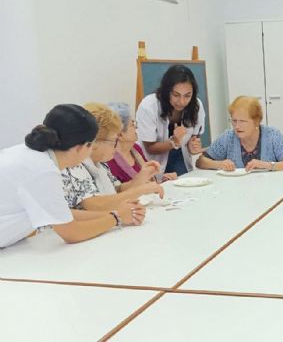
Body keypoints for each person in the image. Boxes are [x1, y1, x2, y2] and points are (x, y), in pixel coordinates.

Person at [0, 104, 144, 248]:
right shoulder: (44, 170)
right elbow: (71, 233)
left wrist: (117, 213)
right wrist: (116, 218)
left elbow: (65, 215)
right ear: (81, 147)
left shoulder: (33, 156)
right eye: (91, 145)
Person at [62, 103, 163, 211]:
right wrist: (139, 190)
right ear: (95, 142)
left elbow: (117, 189)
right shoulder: (74, 165)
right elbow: (96, 204)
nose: (116, 147)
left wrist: (142, 177)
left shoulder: (100, 163)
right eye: (114, 141)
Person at [136, 64, 206, 176]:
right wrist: (174, 142)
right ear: (166, 91)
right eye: (176, 95)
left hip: (180, 159)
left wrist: (193, 146)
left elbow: (194, 138)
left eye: (187, 95)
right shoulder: (148, 106)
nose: (182, 101)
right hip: (154, 162)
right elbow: (149, 147)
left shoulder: (196, 105)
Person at [197, 96, 283, 171]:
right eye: (234, 121)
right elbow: (200, 161)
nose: (237, 126)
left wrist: (268, 165)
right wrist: (219, 164)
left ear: (256, 121)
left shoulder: (272, 135)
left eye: (242, 121)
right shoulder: (228, 137)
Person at [106, 102, 177, 183]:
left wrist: (163, 179)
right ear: (120, 134)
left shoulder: (136, 148)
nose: (136, 126)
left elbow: (148, 179)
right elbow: (118, 192)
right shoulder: (109, 160)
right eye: (132, 124)